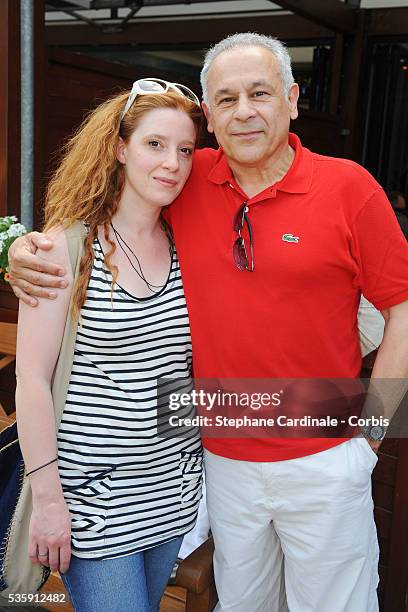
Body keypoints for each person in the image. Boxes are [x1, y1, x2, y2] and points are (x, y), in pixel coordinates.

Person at [9, 33, 408, 612]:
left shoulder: (348, 188)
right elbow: (97, 210)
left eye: (259, 93)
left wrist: (370, 435)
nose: (244, 111)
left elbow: (400, 305)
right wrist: (23, 251)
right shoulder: (188, 177)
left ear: (292, 99)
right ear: (210, 116)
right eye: (225, 99)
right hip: (217, 462)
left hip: (324, 455)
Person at [14, 81, 204, 612]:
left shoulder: (188, 244)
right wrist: (49, 502)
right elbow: (30, 379)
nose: (172, 163)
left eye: (185, 149)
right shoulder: (62, 248)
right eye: (155, 144)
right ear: (120, 148)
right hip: (93, 502)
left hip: (174, 494)